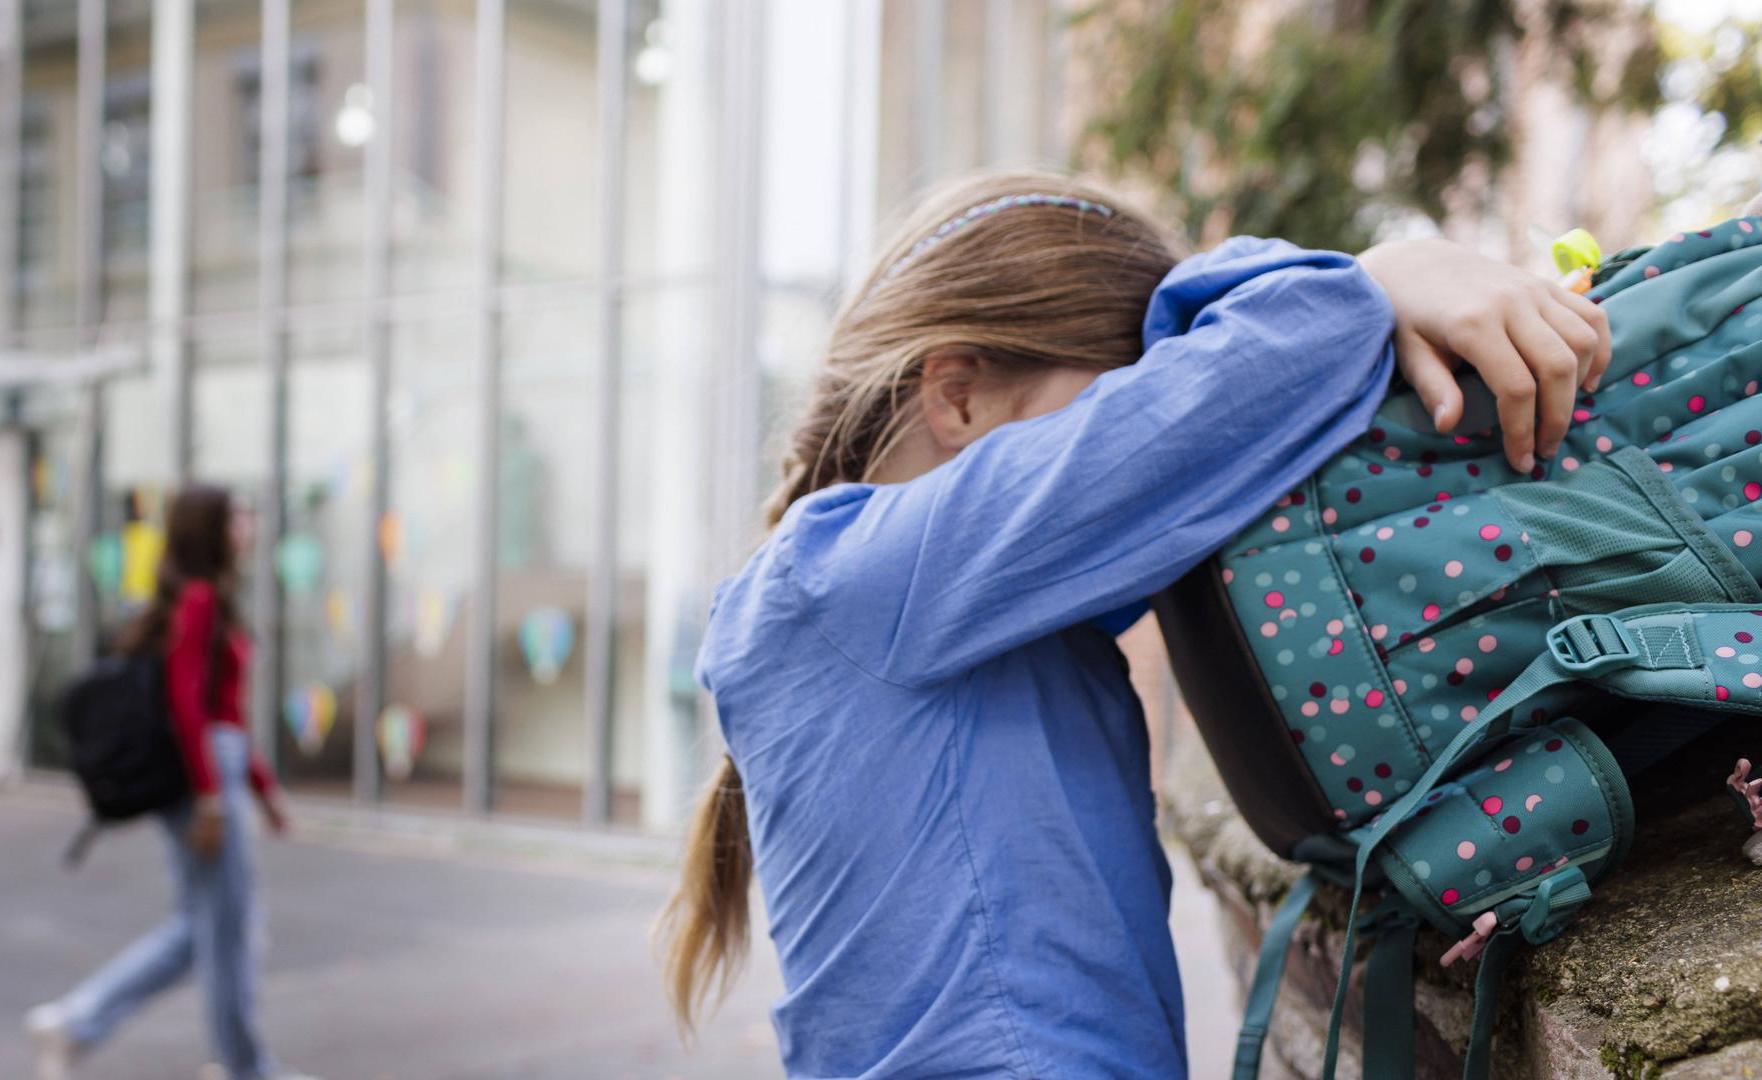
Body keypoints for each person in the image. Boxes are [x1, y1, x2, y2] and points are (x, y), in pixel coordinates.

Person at [656, 171, 1610, 1078]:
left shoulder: (905, 602)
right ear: (957, 396)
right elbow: (1233, 394)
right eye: (1113, 401)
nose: (1148, 468)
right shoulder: (854, 577)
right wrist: (1383, 277)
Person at [28, 485, 310, 1080]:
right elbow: (191, 705)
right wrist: (213, 797)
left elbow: (223, 710)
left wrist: (265, 792)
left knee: (198, 929)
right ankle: (244, 1068)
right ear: (211, 528)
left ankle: (76, 1021)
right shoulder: (202, 598)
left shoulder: (195, 597)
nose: (249, 522)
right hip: (203, 779)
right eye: (237, 514)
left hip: (208, 772)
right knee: (228, 931)